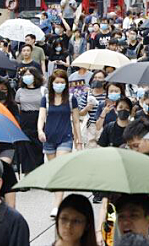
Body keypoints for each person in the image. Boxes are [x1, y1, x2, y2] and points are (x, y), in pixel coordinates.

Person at [38, 70, 82, 217]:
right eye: (57, 82)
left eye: (62, 82)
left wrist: (79, 140)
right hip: (49, 138)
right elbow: (41, 116)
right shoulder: (46, 99)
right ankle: (60, 196)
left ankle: (57, 206)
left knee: (60, 169)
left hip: (66, 137)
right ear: (52, 83)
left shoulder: (71, 99)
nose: (59, 85)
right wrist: (40, 131)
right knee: (54, 173)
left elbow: (76, 121)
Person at [14, 67, 46, 174]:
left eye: (29, 74)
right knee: (26, 149)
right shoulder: (20, 91)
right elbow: (18, 107)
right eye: (25, 75)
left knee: (38, 148)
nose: (27, 77)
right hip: (24, 119)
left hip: (38, 119)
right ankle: (27, 175)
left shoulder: (43, 90)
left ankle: (37, 174)